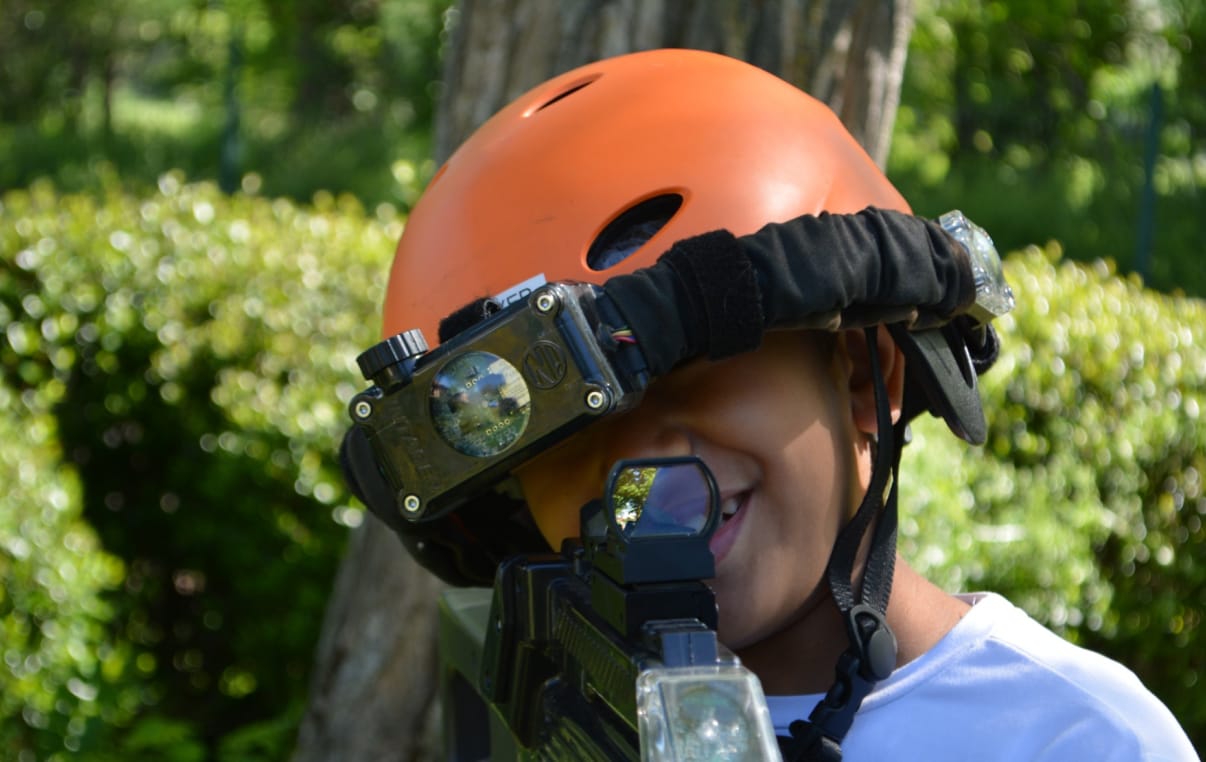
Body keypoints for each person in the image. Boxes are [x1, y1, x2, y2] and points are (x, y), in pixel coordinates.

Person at [342, 49, 1197, 760]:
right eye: (567, 432)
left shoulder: (1072, 737)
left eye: (694, 374)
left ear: (870, 380)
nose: (642, 470)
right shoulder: (537, 712)